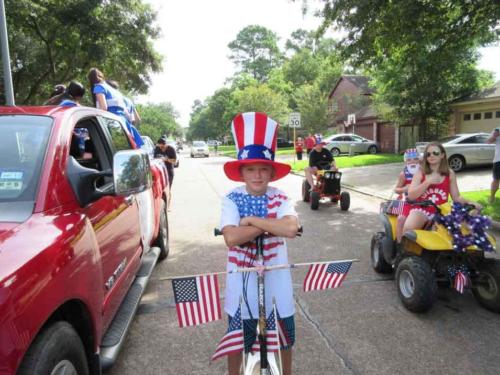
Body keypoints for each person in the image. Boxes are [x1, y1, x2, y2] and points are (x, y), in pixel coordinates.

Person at [220, 112, 300, 375]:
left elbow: (290, 227)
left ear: (271, 172)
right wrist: (269, 225)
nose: (257, 175)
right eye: (251, 169)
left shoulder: (280, 197)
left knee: (284, 333)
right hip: (241, 278)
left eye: (263, 168)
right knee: (237, 337)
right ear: (242, 172)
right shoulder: (231, 198)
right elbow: (231, 238)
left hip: (277, 277)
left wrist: (252, 220)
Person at [402, 142, 480, 235]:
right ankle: (403, 249)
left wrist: (469, 202)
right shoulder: (420, 173)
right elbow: (411, 196)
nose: (431, 155)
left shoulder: (449, 173)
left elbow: (456, 197)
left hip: (442, 211)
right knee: (409, 228)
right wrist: (427, 182)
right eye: (428, 154)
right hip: (421, 209)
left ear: (442, 155)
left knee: (460, 231)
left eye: (435, 152)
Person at [87, 68, 144, 147]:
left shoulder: (98, 88)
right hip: (122, 122)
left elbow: (103, 108)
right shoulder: (113, 90)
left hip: (112, 124)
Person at [393, 148, 420, 243]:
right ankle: (399, 244)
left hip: (424, 202)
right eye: (409, 160)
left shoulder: (424, 172)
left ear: (419, 160)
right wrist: (405, 189)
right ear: (405, 161)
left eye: (415, 159)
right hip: (408, 202)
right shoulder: (403, 174)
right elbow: (396, 190)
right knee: (401, 219)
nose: (412, 162)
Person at [154, 138, 177, 209]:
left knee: (168, 189)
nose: (161, 148)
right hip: (159, 173)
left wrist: (166, 159)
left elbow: (174, 161)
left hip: (169, 172)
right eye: (160, 147)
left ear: (165, 145)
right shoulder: (157, 149)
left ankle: (168, 207)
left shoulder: (171, 149)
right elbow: (154, 159)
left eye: (163, 147)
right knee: (160, 190)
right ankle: (161, 205)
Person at [487, 127, 500, 203]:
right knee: (496, 179)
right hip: (498, 160)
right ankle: (492, 198)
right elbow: (488, 141)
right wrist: (495, 135)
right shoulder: (497, 129)